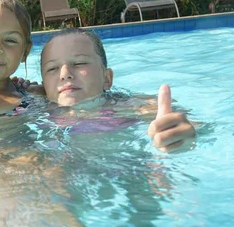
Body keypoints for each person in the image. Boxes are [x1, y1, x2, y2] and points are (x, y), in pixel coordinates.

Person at [40, 28, 196, 152]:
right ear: (43, 85)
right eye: (52, 68)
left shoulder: (127, 106)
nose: (65, 74)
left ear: (107, 79)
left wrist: (179, 132)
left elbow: (188, 122)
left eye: (79, 63)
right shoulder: (36, 111)